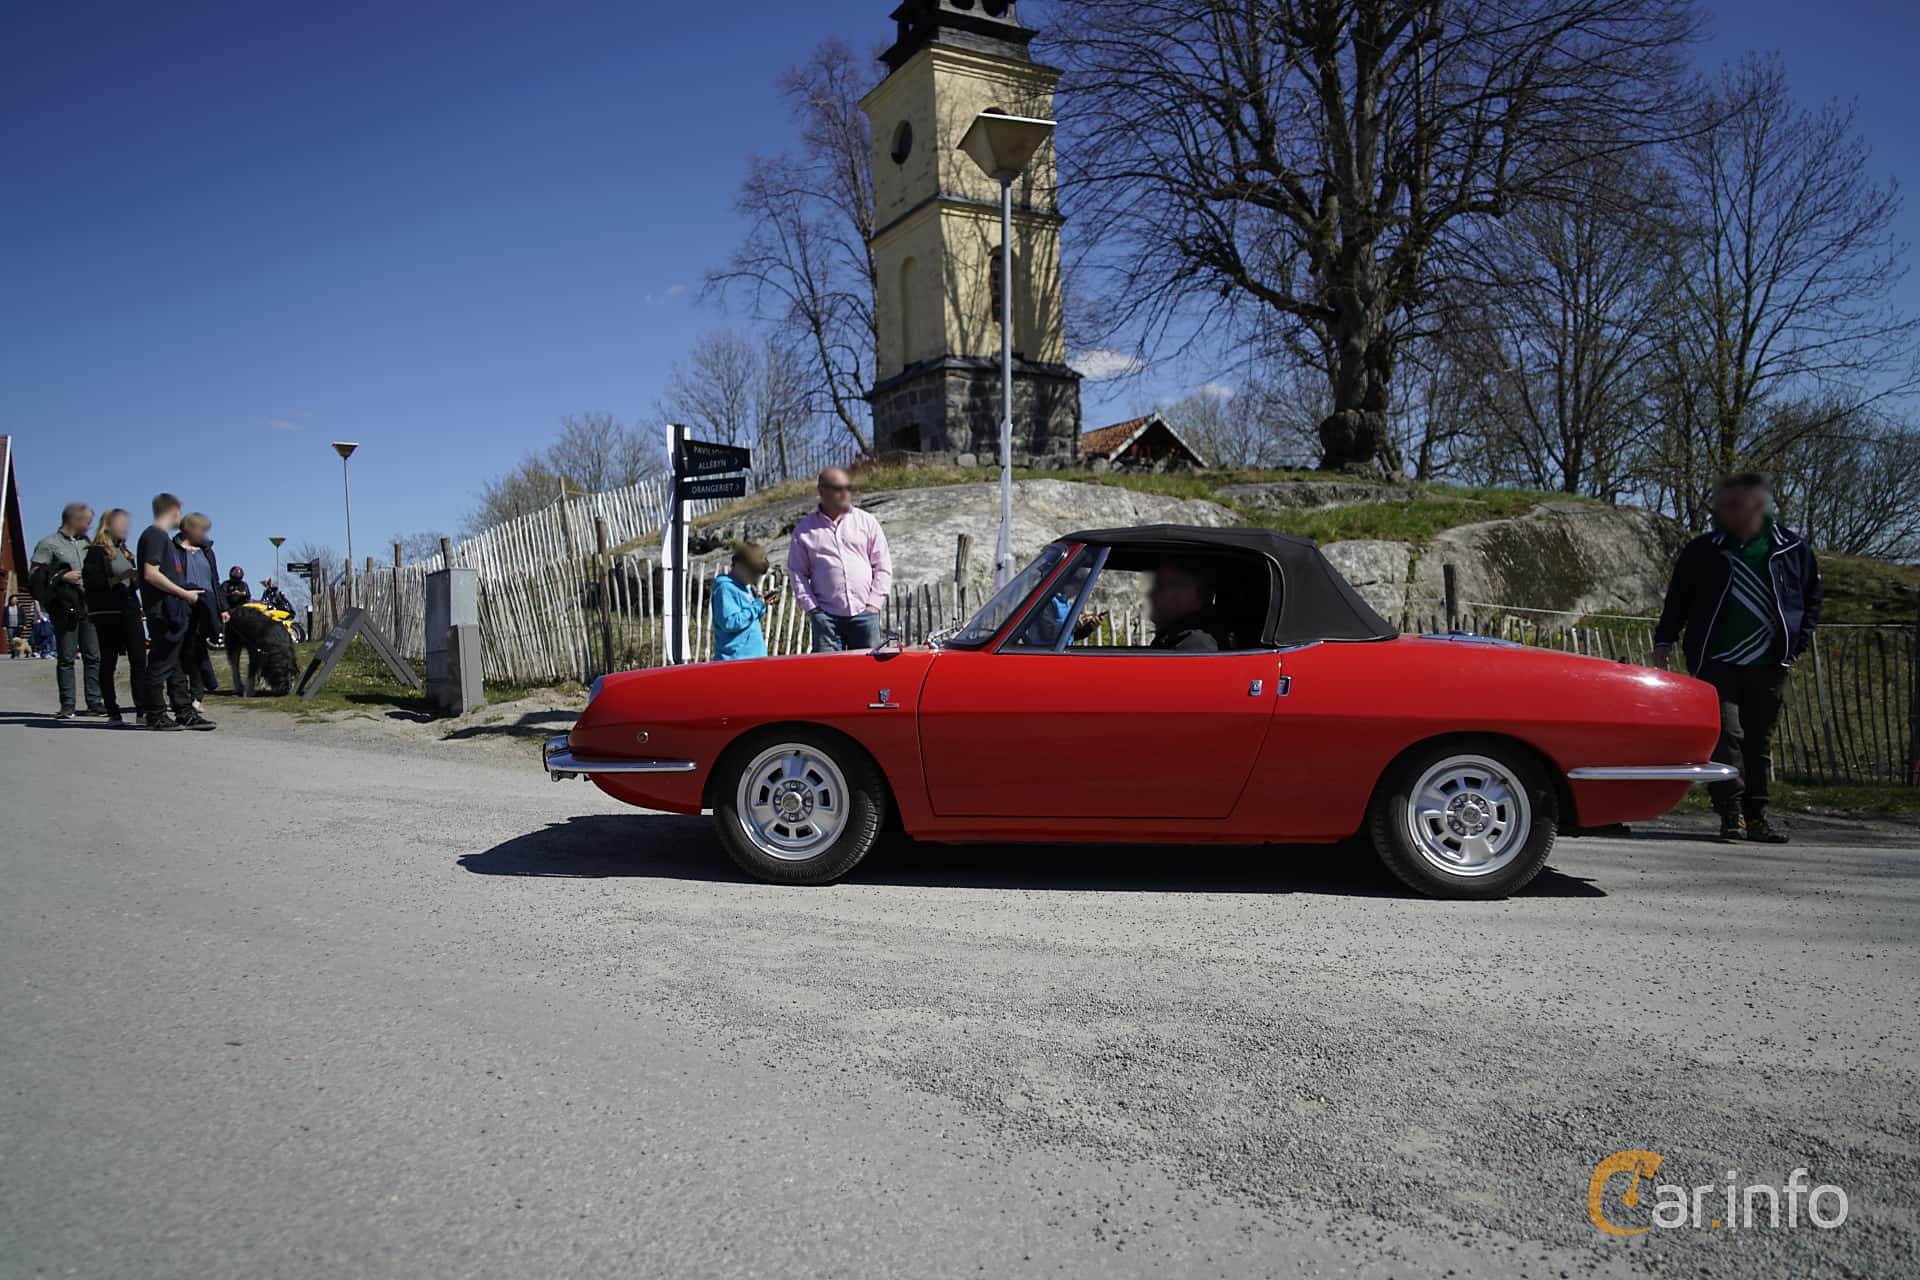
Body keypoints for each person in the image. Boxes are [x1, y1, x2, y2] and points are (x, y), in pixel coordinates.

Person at [1652, 472, 1821, 844]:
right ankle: (1731, 812)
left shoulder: (1791, 549)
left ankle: (1757, 815)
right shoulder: (1705, 550)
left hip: (1769, 662)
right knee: (1728, 735)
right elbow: (1678, 598)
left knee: (1759, 740)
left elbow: (1810, 600)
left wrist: (1796, 644)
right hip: (1716, 659)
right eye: (1727, 505)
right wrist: (1665, 639)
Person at [788, 468, 893, 652]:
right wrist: (813, 609)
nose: (845, 493)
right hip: (826, 618)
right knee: (828, 670)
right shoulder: (804, 530)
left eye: (847, 487)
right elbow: (797, 573)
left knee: (868, 668)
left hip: (865, 615)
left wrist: (873, 604)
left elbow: (882, 564)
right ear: (821, 490)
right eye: (838, 488)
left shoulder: (866, 522)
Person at [136, 493, 214, 731]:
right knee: (161, 663)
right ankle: (154, 714)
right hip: (163, 610)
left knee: (176, 663)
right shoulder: (154, 536)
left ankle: (183, 711)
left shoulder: (163, 539)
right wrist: (183, 593)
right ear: (173, 511)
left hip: (175, 610)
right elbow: (151, 574)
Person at [29, 501, 105, 718]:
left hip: (88, 604)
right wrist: (62, 576)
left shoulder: (86, 543)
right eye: (87, 521)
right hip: (65, 606)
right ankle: (68, 704)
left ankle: (94, 701)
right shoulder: (49, 544)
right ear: (75, 520)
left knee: (93, 655)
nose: (90, 526)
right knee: (66, 656)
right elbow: (35, 575)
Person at [83, 508, 149, 726]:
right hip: (108, 612)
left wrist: (136, 580)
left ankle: (142, 710)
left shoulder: (125, 552)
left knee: (139, 659)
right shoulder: (96, 552)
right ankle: (112, 711)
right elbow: (92, 582)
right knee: (109, 661)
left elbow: (130, 583)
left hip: (129, 609)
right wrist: (119, 578)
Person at [174, 513, 223, 704]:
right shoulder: (174, 550)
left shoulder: (207, 551)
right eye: (201, 529)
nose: (204, 533)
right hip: (183, 602)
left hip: (205, 604)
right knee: (182, 649)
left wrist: (222, 608)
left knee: (197, 647)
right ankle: (180, 693)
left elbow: (215, 580)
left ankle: (197, 694)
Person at [711, 542, 779, 661]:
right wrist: (756, 606)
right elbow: (730, 623)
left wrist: (762, 604)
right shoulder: (725, 589)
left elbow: (750, 619)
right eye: (753, 573)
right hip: (736, 659)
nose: (755, 579)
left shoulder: (745, 587)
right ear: (740, 565)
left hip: (754, 657)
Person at [1147, 558, 1228, 652]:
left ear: (1191, 593)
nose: (1151, 594)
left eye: (1161, 586)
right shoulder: (1176, 637)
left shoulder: (1196, 645)